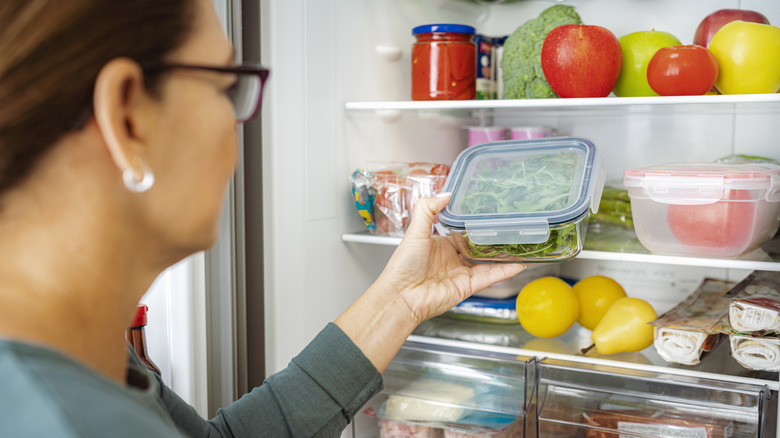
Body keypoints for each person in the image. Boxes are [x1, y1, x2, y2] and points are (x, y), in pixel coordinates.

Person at [0, 0, 524, 436]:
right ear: (127, 118)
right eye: (224, 88)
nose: (238, 128)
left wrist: (401, 300)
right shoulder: (68, 419)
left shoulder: (73, 349)